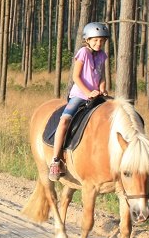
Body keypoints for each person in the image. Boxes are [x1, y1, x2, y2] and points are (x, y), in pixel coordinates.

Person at [47, 22, 110, 181]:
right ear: (87, 40)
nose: (99, 43)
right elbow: (76, 76)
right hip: (80, 95)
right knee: (64, 121)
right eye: (95, 40)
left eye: (102, 41)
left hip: (96, 95)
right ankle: (55, 160)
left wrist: (102, 89)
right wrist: (88, 92)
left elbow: (101, 76)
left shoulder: (102, 55)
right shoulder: (83, 52)